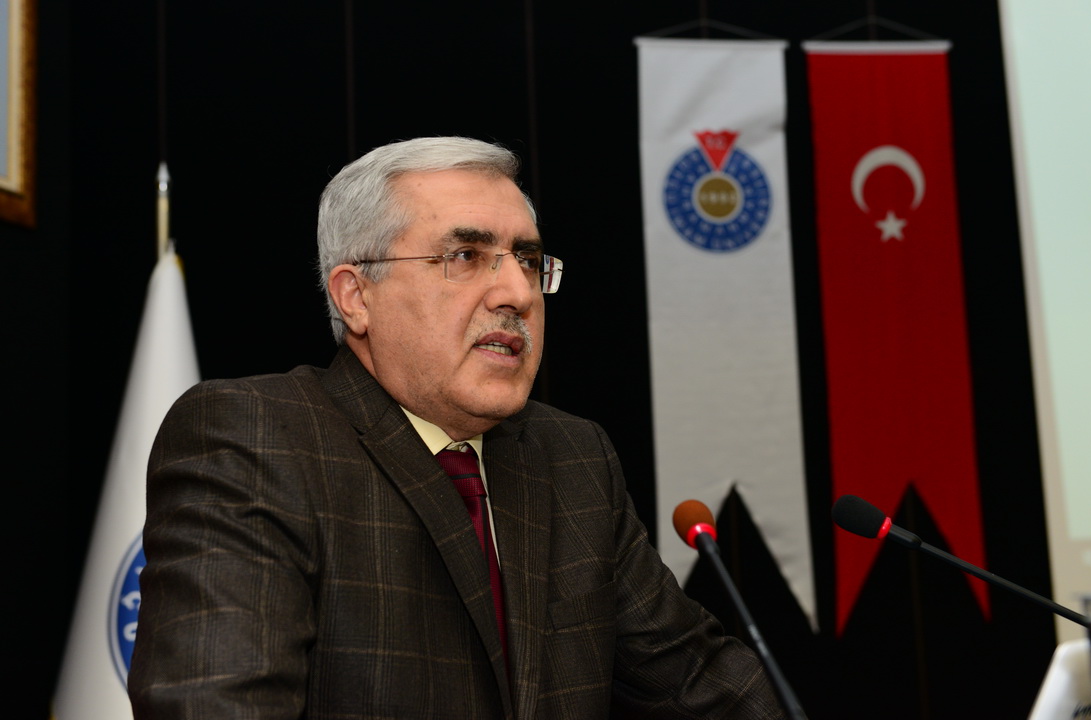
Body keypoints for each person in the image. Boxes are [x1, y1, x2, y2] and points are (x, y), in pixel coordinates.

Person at [128, 136, 783, 719]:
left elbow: (702, 688)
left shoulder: (573, 459)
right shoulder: (255, 439)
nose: (517, 293)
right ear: (356, 296)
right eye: (466, 255)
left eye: (527, 260)